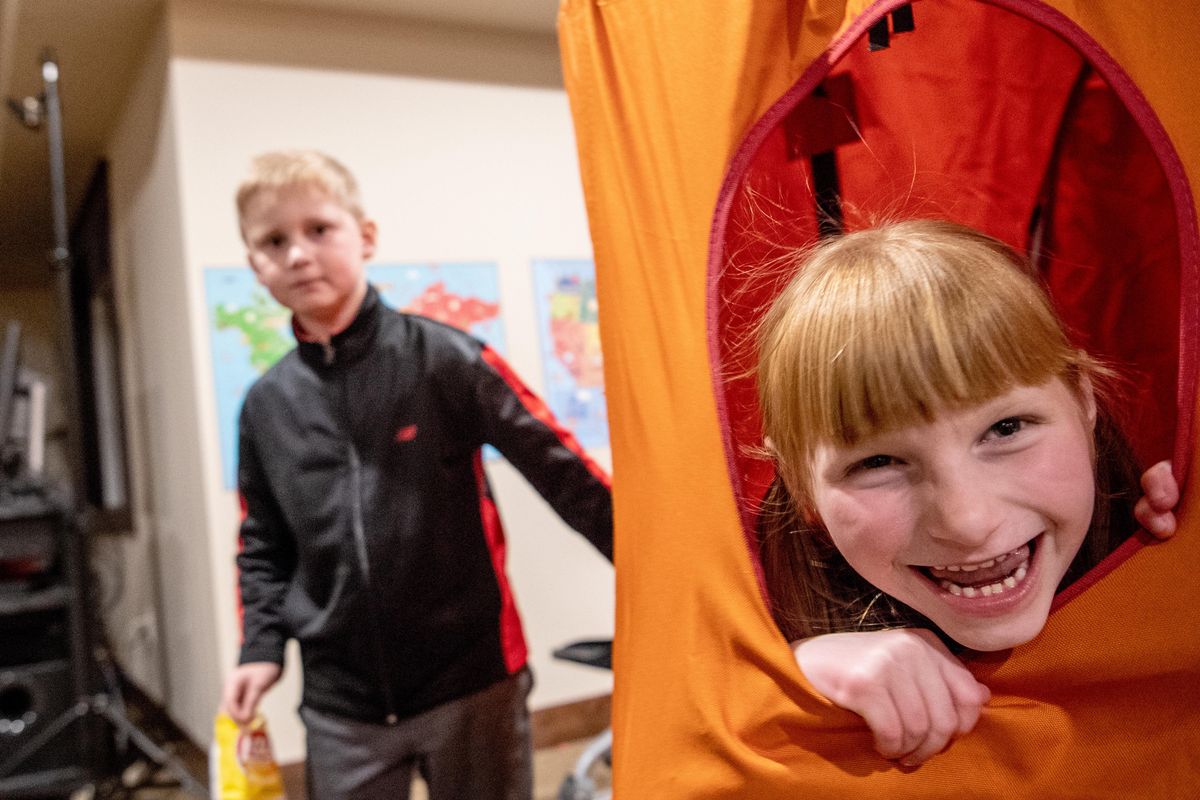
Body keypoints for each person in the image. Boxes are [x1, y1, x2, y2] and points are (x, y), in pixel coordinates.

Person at [218, 150, 613, 800]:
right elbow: (263, 541)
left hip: (473, 681)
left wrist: (662, 578)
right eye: (273, 241)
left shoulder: (447, 360)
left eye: (318, 229)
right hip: (341, 705)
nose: (297, 254)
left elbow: (562, 470)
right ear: (255, 263)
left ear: (365, 237)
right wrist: (260, 647)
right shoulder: (265, 407)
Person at [754, 220, 1179, 768]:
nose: (966, 520)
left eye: (1006, 429)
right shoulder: (756, 624)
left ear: (1083, 399)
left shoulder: (1164, 535)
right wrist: (793, 676)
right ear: (798, 483)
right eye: (878, 461)